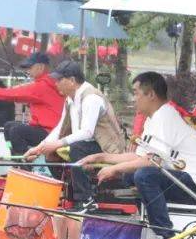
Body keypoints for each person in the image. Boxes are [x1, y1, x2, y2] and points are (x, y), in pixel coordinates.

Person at [77, 71, 196, 239]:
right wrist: (99, 157)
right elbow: (138, 156)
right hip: (186, 180)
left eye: (136, 93)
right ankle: (148, 224)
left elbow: (151, 161)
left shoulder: (165, 116)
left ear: (151, 94)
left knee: (144, 175)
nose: (134, 98)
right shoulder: (154, 118)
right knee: (132, 174)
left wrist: (114, 168)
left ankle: (167, 238)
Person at [25, 60, 126, 207]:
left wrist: (58, 144)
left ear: (72, 80)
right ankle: (68, 191)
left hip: (107, 148)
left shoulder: (91, 97)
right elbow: (60, 128)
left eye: (59, 80)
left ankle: (85, 199)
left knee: (76, 148)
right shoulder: (69, 99)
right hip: (86, 145)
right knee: (52, 154)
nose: (56, 83)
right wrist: (40, 147)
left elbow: (86, 132)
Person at [0, 51, 64, 158]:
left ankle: (24, 162)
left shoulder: (42, 85)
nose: (28, 71)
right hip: (45, 128)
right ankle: (13, 154)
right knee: (9, 126)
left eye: (30, 68)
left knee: (16, 131)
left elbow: (12, 94)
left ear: (40, 67)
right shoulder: (45, 83)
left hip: (50, 131)